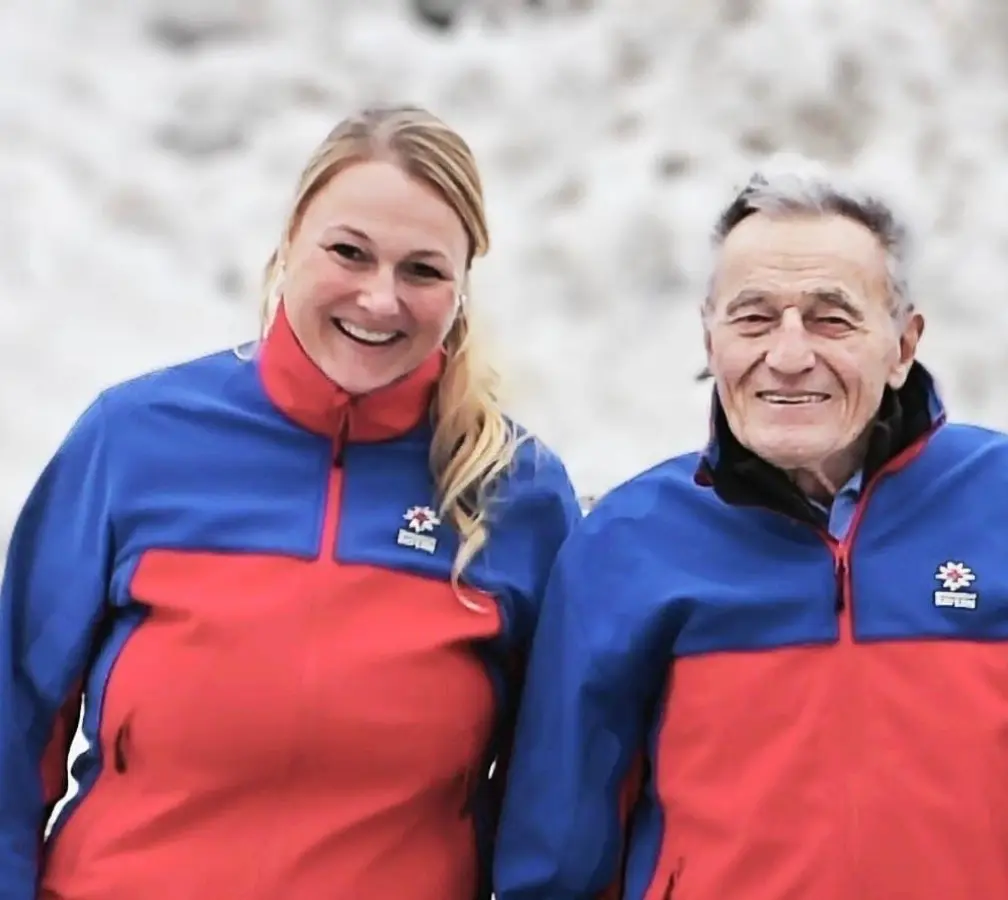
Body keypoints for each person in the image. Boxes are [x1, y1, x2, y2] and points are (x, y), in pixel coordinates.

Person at [493, 157, 1008, 900]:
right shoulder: (625, 542)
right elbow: (557, 851)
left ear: (902, 345)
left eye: (830, 317)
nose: (787, 356)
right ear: (710, 340)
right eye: (752, 317)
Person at [0, 105, 582, 900]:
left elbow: (552, 803)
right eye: (349, 253)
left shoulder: (517, 493)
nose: (380, 300)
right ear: (288, 245)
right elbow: (14, 723)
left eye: (422, 270)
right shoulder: (133, 441)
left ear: (462, 288)